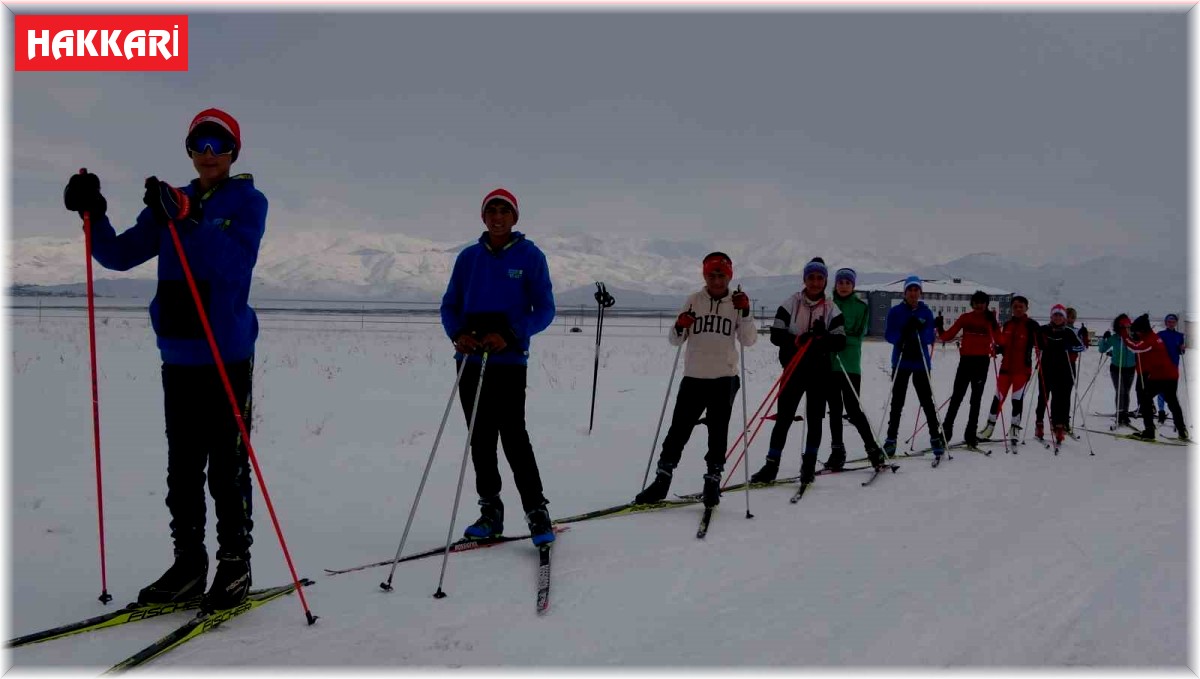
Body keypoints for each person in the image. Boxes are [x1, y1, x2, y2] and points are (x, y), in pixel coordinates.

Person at [63, 108, 265, 610]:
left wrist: (190, 217)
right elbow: (117, 255)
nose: (209, 152)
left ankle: (235, 566)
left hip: (226, 355)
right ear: (190, 150)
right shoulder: (169, 203)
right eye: (200, 143)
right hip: (178, 352)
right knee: (182, 469)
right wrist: (93, 212)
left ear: (234, 151)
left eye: (219, 143)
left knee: (227, 467)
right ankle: (189, 567)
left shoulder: (247, 201)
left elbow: (236, 262)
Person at [440, 188, 557, 545]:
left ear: (515, 217)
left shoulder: (530, 256)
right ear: (483, 216)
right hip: (470, 362)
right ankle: (491, 511)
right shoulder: (468, 258)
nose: (497, 216)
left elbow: (545, 310)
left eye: (504, 210)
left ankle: (537, 511)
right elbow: (449, 306)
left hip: (508, 362)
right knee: (480, 438)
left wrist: (510, 333)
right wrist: (458, 334)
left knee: (514, 437)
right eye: (491, 210)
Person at [634, 253, 757, 507]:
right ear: (704, 276)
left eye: (721, 275)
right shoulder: (693, 300)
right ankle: (662, 479)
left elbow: (748, 340)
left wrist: (745, 312)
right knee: (678, 430)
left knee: (718, 432)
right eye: (711, 275)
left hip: (724, 378)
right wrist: (680, 324)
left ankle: (712, 479)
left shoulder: (737, 302)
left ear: (729, 277)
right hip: (694, 377)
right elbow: (675, 339)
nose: (716, 280)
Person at [749, 257, 846, 486]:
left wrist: (823, 338)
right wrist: (797, 340)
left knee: (815, 418)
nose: (815, 282)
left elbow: (840, 341)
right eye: (811, 277)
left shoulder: (832, 308)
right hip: (793, 368)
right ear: (804, 279)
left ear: (825, 281)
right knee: (783, 417)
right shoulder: (790, 303)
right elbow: (775, 334)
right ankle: (771, 465)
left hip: (819, 371)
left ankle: (809, 465)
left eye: (819, 278)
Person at [823, 267, 886, 471]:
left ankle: (873, 450)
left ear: (853, 285)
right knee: (834, 411)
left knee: (853, 409)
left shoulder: (861, 307)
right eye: (840, 282)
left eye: (847, 283)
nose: (843, 286)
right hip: (830, 364)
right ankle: (837, 451)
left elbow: (860, 335)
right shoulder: (827, 304)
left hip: (850, 364)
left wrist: (840, 340)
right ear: (835, 284)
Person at [882, 276, 944, 459]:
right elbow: (889, 335)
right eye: (910, 290)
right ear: (905, 292)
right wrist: (903, 334)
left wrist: (922, 330)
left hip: (920, 362)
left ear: (920, 292)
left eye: (916, 290)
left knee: (926, 401)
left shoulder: (925, 312)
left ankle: (935, 436)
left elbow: (929, 339)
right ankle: (891, 439)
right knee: (897, 403)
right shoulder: (896, 311)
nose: (913, 293)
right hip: (901, 361)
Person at [937, 290, 1000, 448]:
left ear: (986, 304)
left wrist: (995, 324)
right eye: (976, 302)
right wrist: (939, 327)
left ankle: (970, 434)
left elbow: (1000, 339)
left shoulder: (989, 320)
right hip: (966, 362)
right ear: (972, 304)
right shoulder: (966, 318)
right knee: (957, 397)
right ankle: (946, 432)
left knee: (976, 400)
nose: (979, 305)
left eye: (982, 302)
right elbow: (947, 336)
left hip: (981, 363)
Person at [979, 295, 1040, 443]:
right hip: (1005, 369)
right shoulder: (1007, 325)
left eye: (1021, 306)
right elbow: (1003, 345)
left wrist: (1041, 351)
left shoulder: (1031, 325)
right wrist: (996, 349)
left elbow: (1042, 343)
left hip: (1022, 370)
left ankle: (1014, 428)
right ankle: (989, 428)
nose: (1018, 309)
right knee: (997, 398)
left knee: (1016, 399)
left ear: (1026, 308)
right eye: (1015, 307)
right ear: (1011, 309)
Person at [1119, 314, 1189, 441]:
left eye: (1138, 331)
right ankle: (1182, 431)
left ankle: (1149, 431)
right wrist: (1132, 335)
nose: (1137, 333)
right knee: (1173, 402)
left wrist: (1124, 333)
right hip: (1171, 374)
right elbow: (1139, 341)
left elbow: (1135, 348)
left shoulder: (1150, 340)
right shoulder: (1154, 336)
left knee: (1145, 400)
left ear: (1143, 330)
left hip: (1160, 376)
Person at [1032, 305, 1085, 444]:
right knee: (1043, 397)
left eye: (1060, 315)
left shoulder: (1068, 332)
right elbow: (1034, 341)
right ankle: (1039, 424)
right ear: (1051, 316)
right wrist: (1039, 345)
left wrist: (1070, 347)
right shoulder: (1044, 329)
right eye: (1055, 315)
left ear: (1064, 318)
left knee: (1058, 398)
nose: (1057, 318)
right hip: (1045, 368)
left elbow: (1082, 347)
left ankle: (1058, 426)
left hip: (1062, 369)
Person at [1096, 314, 1139, 426]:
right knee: (1120, 390)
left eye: (1128, 327)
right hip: (1116, 368)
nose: (1126, 329)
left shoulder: (1133, 338)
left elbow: (1141, 348)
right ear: (1118, 327)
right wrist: (1103, 339)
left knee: (1126, 392)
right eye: (1123, 327)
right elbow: (1102, 349)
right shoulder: (1115, 338)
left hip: (1130, 368)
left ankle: (1125, 413)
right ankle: (1119, 414)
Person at [1156, 313, 1186, 423]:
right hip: (1162, 367)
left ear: (1176, 323)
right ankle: (1161, 412)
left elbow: (1181, 352)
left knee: (1172, 393)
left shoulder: (1179, 335)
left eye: (1173, 322)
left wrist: (1182, 348)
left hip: (1173, 367)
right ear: (1165, 323)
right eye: (1169, 322)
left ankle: (1175, 414)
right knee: (1161, 391)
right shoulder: (1160, 334)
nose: (1171, 324)